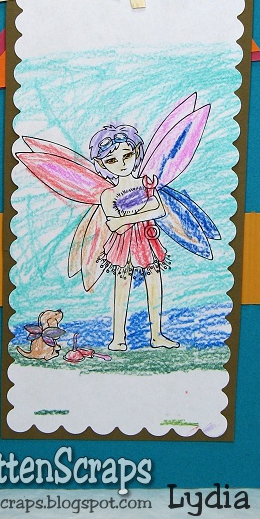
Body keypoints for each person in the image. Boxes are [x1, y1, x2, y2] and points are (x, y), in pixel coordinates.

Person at [89, 125, 179, 351]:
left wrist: (125, 218)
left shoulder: (146, 183)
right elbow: (114, 226)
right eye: (111, 160)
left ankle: (157, 335)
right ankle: (118, 338)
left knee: (154, 284)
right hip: (123, 245)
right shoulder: (108, 194)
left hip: (147, 240)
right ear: (102, 165)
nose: (121, 163)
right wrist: (142, 213)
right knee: (122, 287)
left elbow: (159, 210)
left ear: (137, 153)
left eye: (127, 155)